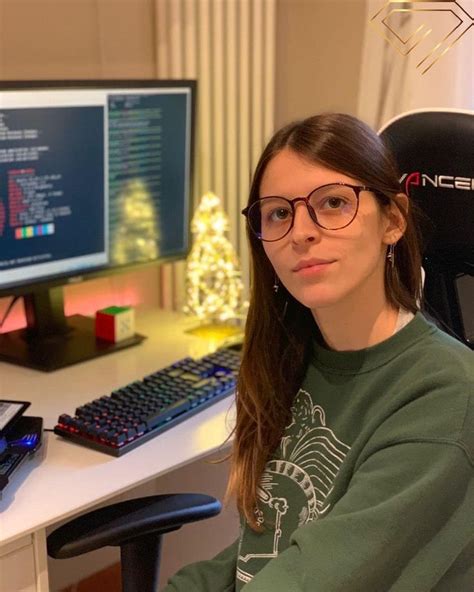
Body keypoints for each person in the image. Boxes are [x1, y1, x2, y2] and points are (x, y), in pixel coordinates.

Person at [163, 113, 474, 591]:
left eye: (332, 203)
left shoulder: (446, 396)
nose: (301, 232)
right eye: (279, 213)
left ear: (393, 220)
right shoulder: (291, 358)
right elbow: (264, 548)